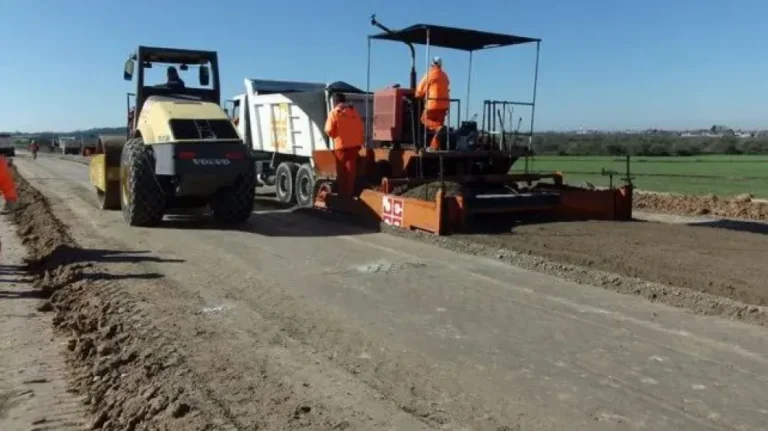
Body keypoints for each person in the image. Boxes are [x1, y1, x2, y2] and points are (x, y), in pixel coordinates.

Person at [324, 93, 364, 197]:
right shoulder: (354, 112)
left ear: (335, 102)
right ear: (344, 101)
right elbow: (360, 129)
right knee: (351, 172)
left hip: (341, 147)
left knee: (342, 172)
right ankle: (349, 194)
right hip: (354, 147)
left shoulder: (335, 113)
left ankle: (343, 196)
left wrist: (335, 135)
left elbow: (328, 130)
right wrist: (359, 143)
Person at [415, 56, 450, 151]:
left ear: (432, 64)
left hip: (433, 104)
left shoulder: (429, 75)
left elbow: (419, 91)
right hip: (444, 106)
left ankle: (439, 128)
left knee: (424, 119)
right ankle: (433, 147)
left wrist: (417, 95)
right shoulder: (445, 75)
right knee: (438, 130)